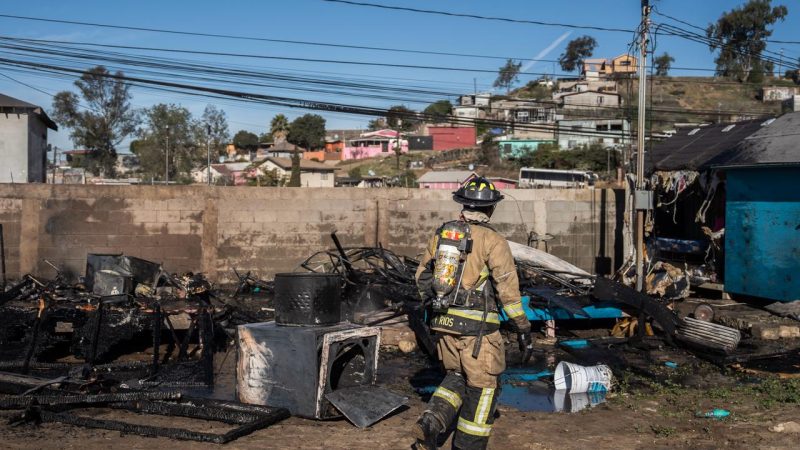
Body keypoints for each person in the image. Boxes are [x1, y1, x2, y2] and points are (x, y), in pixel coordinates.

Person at [412, 176, 533, 450]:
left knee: (456, 376)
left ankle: (431, 422)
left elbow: (421, 277)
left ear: (463, 206)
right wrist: (523, 328)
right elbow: (508, 292)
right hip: (478, 333)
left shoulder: (443, 235)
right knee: (483, 390)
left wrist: (435, 313)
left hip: (443, 324)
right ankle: (467, 446)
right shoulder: (493, 241)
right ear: (490, 209)